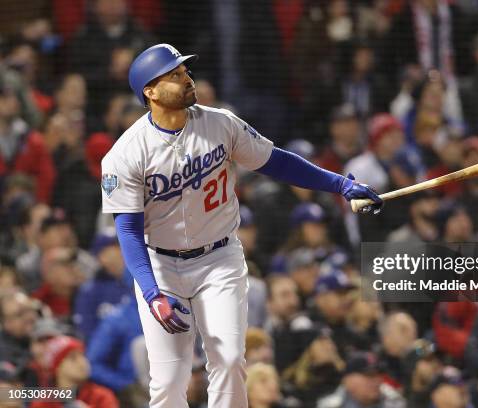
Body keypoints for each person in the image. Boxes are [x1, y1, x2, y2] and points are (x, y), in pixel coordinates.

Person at [101, 43, 383, 408]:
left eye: (185, 71)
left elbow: (276, 162)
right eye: (174, 75)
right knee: (170, 381)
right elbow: (128, 230)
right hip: (161, 265)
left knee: (231, 361)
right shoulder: (126, 154)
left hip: (219, 258)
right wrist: (153, 292)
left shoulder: (220, 123)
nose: (187, 78)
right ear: (150, 92)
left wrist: (340, 185)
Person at [30, 335, 118, 408]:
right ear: (57, 367)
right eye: (73, 358)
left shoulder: (102, 396)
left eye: (82, 355)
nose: (82, 362)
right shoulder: (43, 402)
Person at [317, 351, 406, 408]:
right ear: (348, 380)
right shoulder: (329, 405)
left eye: (379, 375)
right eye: (369, 375)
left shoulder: (395, 402)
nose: (377, 381)